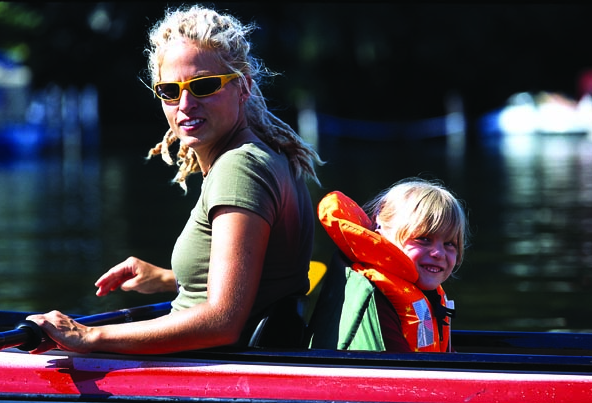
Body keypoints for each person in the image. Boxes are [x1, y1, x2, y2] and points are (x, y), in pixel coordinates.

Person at [27, 4, 323, 354]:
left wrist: (88, 337)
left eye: (204, 86)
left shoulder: (240, 168)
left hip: (209, 370)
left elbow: (223, 322)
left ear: (243, 86)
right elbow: (258, 281)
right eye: (169, 90)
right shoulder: (269, 154)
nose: (185, 104)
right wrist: (170, 279)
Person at [308, 177, 468, 352]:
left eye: (449, 243)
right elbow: (399, 366)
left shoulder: (426, 292)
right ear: (382, 235)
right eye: (423, 239)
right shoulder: (376, 297)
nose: (438, 253)